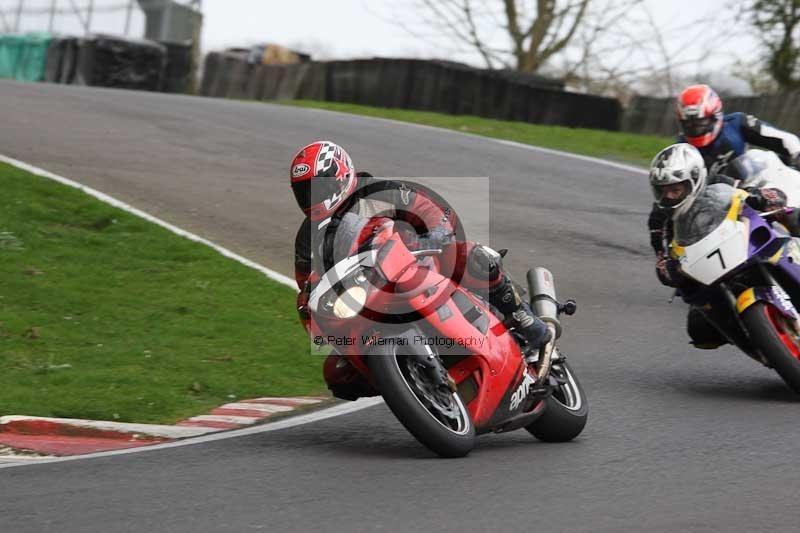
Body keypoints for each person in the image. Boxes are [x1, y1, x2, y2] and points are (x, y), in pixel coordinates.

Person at [290, 140, 551, 399]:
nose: (311, 197)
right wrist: (310, 305)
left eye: (318, 187)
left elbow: (430, 209)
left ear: (341, 175)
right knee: (339, 375)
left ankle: (523, 318)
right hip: (367, 294)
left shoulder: (378, 191)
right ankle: (406, 382)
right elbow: (307, 285)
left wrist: (436, 233)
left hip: (418, 264)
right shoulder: (307, 237)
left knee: (471, 256)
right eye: (303, 191)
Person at [647, 143, 787, 348]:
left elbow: (747, 194)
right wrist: (666, 267)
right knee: (699, 329)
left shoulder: (717, 181)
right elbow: (660, 254)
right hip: (704, 267)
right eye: (662, 191)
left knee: (791, 221)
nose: (668, 197)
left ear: (693, 181)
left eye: (674, 190)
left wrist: (765, 197)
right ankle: (761, 345)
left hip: (738, 244)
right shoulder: (659, 216)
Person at [676, 84, 800, 175]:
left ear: (715, 115)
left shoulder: (738, 123)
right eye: (688, 123)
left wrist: (796, 154)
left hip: (754, 190)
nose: (694, 128)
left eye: (700, 122)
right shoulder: (681, 148)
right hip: (713, 203)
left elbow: (785, 139)